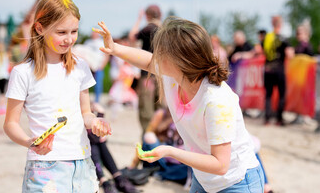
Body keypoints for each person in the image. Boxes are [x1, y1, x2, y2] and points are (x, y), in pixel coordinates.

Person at [94, 17, 264, 193]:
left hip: (237, 182)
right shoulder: (175, 76)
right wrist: (114, 48)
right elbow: (148, 60)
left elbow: (220, 164)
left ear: (180, 60)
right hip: (204, 179)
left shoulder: (216, 100)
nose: (156, 56)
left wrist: (170, 151)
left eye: (161, 52)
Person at [3, 0, 111, 193]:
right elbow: (10, 123)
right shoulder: (23, 72)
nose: (69, 39)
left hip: (83, 163)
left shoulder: (80, 67)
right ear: (39, 28)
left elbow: (85, 113)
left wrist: (95, 122)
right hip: (45, 166)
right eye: (61, 32)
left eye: (74, 31)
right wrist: (30, 142)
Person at [130, 107, 190, 185]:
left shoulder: (191, 116)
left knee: (189, 169)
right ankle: (160, 173)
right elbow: (148, 136)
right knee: (149, 136)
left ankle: (157, 173)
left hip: (180, 162)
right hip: (162, 159)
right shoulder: (162, 114)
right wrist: (134, 163)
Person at [88, 102, 138, 193]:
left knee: (99, 143)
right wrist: (101, 114)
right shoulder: (79, 115)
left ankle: (116, 178)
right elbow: (94, 137)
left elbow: (95, 136)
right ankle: (109, 180)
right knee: (95, 144)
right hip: (87, 148)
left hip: (95, 145)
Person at [128, 6, 162, 136]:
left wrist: (138, 19)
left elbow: (132, 37)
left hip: (147, 74)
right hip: (163, 74)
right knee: (161, 108)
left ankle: (147, 137)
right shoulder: (164, 29)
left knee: (146, 110)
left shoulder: (148, 29)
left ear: (147, 15)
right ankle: (160, 137)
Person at [262, 16, 294, 126]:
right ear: (280, 25)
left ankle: (267, 119)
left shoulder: (267, 37)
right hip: (279, 70)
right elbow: (290, 55)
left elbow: (260, 50)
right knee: (281, 95)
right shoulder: (283, 38)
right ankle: (279, 119)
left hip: (267, 69)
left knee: (268, 95)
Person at [83, 30, 110, 103]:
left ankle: (97, 100)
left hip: (98, 66)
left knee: (98, 84)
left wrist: (102, 65)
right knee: (85, 83)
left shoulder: (101, 42)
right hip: (89, 66)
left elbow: (106, 55)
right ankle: (85, 100)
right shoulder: (87, 42)